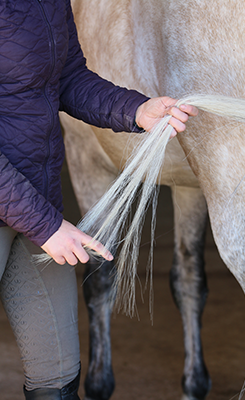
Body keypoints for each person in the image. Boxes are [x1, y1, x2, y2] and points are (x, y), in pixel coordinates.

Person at [0, 1, 198, 399]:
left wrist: (137, 110)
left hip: (39, 211)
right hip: (39, 220)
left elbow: (69, 79)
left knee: (56, 381)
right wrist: (49, 227)